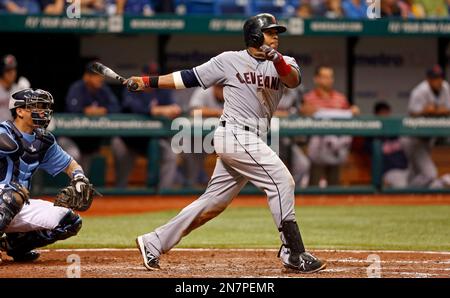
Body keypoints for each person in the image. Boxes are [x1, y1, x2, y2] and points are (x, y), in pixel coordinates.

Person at [126, 13, 326, 273]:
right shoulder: (229, 60)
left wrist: (276, 59)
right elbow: (187, 77)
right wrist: (146, 82)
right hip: (234, 135)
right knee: (281, 181)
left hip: (252, 137)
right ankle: (294, 252)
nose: (276, 36)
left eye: (277, 32)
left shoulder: (285, 62)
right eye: (270, 32)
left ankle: (153, 242)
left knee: (213, 203)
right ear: (255, 36)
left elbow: (293, 80)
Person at [0, 88, 93, 263]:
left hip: (18, 202)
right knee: (14, 194)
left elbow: (70, 165)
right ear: (20, 111)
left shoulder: (43, 141)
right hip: (7, 197)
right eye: (37, 107)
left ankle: (15, 246)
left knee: (70, 222)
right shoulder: (3, 132)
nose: (43, 112)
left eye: (45, 107)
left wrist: (79, 178)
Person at [113, 62, 182, 189]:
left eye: (155, 75)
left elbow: (174, 109)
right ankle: (119, 193)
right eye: (149, 74)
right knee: (119, 147)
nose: (152, 77)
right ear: (142, 75)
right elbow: (133, 107)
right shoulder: (132, 87)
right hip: (129, 140)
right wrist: (155, 111)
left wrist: (165, 110)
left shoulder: (163, 91)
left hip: (154, 139)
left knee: (171, 155)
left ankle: (163, 194)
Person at [301, 65, 359, 187]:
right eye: (324, 77)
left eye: (330, 77)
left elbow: (350, 116)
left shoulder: (340, 98)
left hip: (335, 147)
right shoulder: (308, 98)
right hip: (317, 148)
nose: (328, 80)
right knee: (314, 185)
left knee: (334, 185)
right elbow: (303, 116)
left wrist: (353, 111)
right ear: (316, 79)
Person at [61, 61, 122, 176]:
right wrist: (84, 111)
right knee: (75, 155)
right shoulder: (77, 88)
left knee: (84, 174)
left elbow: (116, 107)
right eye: (96, 75)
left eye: (101, 75)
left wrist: (102, 110)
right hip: (71, 138)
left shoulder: (104, 90)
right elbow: (73, 108)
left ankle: (78, 191)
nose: (100, 78)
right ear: (87, 76)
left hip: (89, 142)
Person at [401, 65, 450, 188]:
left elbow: (447, 109)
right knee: (430, 174)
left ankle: (406, 196)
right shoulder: (420, 91)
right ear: (428, 79)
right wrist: (426, 111)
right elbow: (413, 113)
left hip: (427, 138)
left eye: (440, 77)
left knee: (416, 172)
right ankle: (407, 191)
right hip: (412, 138)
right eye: (435, 78)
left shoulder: (445, 87)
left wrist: (434, 111)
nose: (438, 81)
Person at [182, 85, 224, 187]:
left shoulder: (233, 92)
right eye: (220, 88)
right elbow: (194, 111)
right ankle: (190, 185)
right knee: (193, 149)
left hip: (224, 136)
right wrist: (218, 112)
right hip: (201, 136)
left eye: (224, 88)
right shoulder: (204, 91)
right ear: (215, 86)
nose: (222, 91)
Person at [0, 54, 31, 122]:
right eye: (8, 70)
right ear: (2, 71)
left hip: (11, 129)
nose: (12, 73)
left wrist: (27, 93)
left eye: (13, 70)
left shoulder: (18, 89)